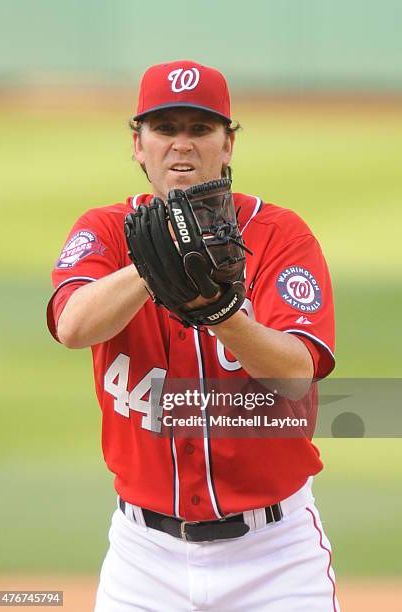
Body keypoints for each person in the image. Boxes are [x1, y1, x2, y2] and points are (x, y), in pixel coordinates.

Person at [47, 60, 340, 611]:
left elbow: (296, 376)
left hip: (276, 557)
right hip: (143, 560)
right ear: (138, 144)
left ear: (227, 145)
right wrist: (152, 264)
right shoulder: (106, 231)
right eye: (165, 128)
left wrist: (223, 313)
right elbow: (73, 326)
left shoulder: (280, 235)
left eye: (200, 129)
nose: (182, 145)